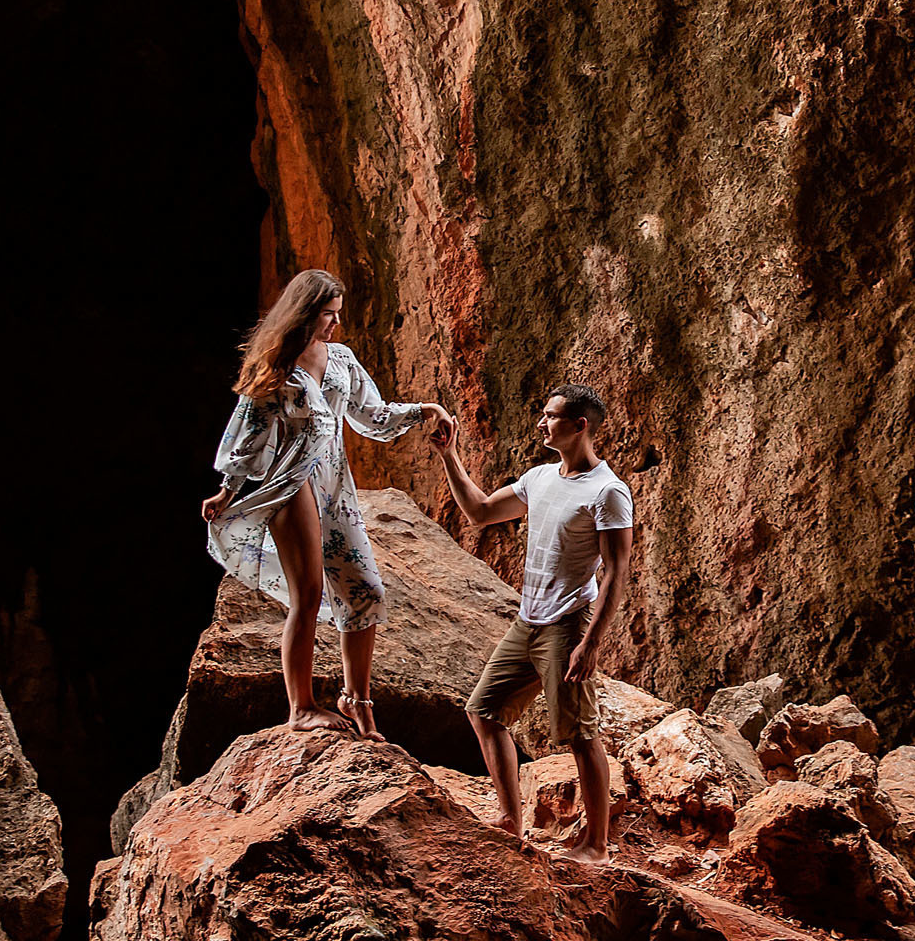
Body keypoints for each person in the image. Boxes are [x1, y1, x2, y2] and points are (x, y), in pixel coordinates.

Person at [199, 269, 445, 738]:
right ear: (305, 313)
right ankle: (301, 707)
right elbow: (250, 434)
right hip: (292, 484)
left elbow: (371, 415)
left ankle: (357, 699)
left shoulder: (341, 359)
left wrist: (423, 411)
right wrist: (228, 490)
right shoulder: (277, 365)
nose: (335, 324)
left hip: (335, 484)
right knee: (308, 595)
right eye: (327, 315)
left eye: (337, 315)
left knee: (366, 591)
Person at [430, 384, 635, 861]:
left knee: (579, 734)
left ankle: (597, 845)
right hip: (528, 620)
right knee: (484, 711)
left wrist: (590, 643)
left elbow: (617, 572)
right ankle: (509, 819)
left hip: (567, 623)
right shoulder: (539, 478)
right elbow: (481, 512)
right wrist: (449, 456)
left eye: (551, 416)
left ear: (580, 425)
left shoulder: (607, 492)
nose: (542, 423)